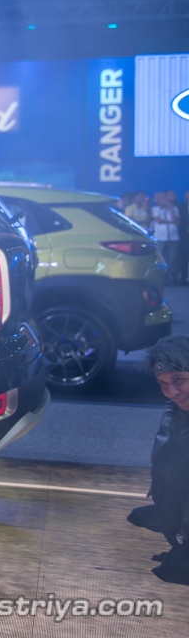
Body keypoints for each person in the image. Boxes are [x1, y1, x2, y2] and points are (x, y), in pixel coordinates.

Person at [128, 335, 189, 585]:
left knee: (175, 569)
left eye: (179, 380)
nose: (172, 392)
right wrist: (160, 484)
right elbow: (165, 449)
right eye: (163, 383)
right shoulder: (175, 410)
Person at [153, 191, 181, 283]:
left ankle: (167, 276)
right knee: (160, 258)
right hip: (161, 238)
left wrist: (170, 209)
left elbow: (176, 219)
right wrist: (171, 222)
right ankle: (159, 276)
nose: (164, 200)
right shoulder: (155, 209)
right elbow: (158, 220)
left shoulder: (174, 208)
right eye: (162, 198)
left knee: (172, 258)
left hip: (173, 238)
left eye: (165, 198)